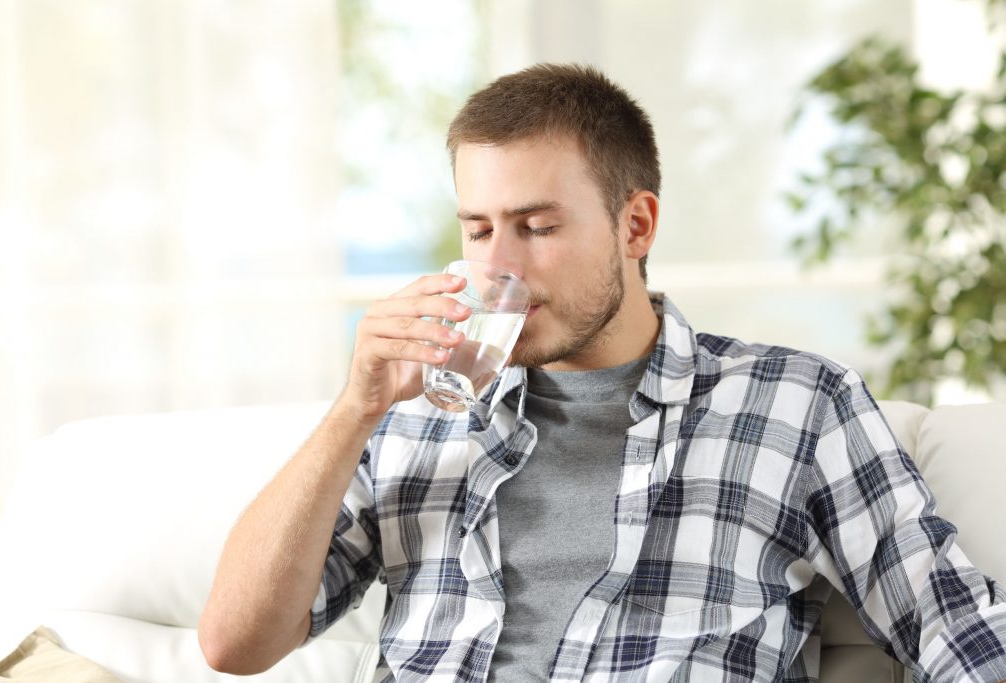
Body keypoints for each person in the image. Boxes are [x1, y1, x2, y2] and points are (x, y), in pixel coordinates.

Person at [198, 64, 1006, 681]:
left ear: (636, 224)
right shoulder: (415, 413)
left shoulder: (796, 404)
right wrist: (354, 408)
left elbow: (957, 632)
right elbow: (236, 643)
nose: (499, 263)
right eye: (478, 230)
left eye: (537, 226)